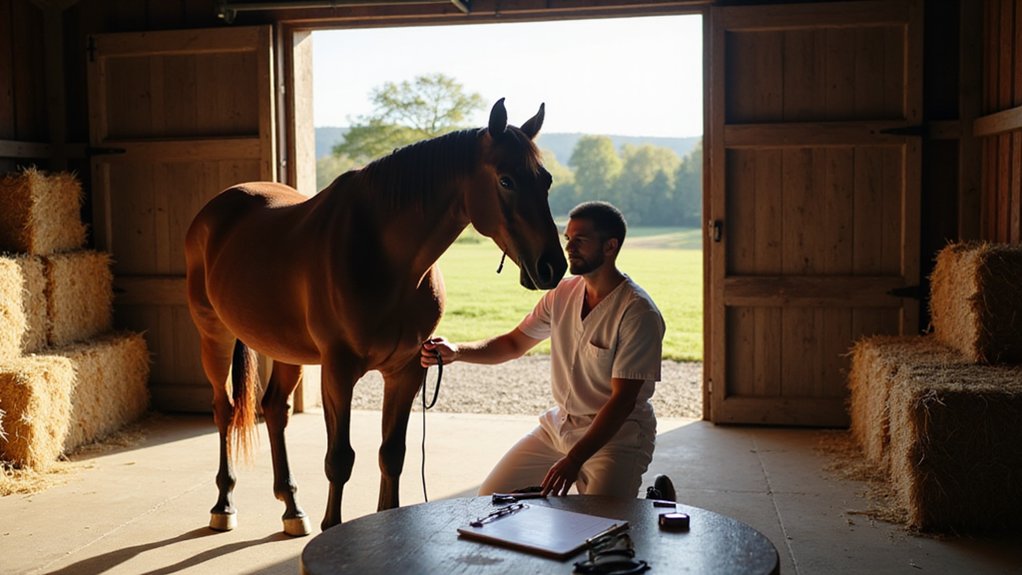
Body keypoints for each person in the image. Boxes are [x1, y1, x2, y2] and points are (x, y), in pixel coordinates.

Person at [421, 201, 665, 498]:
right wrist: (457, 351)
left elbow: (622, 401)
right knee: (490, 499)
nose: (569, 247)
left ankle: (657, 504)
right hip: (559, 427)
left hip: (617, 437)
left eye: (581, 240)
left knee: (602, 528)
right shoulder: (563, 292)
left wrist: (574, 460)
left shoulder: (638, 313)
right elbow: (513, 343)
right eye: (568, 239)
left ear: (610, 246)